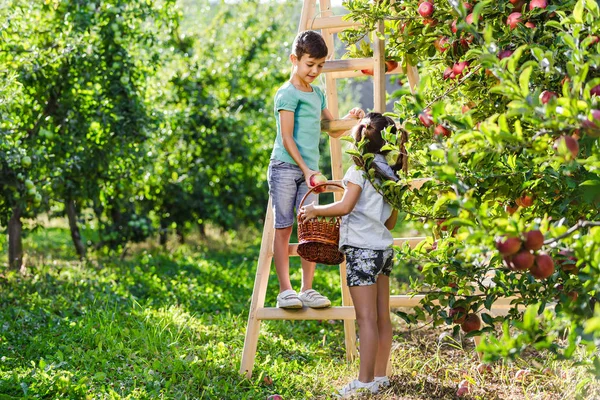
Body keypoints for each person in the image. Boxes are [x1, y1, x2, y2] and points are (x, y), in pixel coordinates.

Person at [299, 113, 400, 397]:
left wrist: (315, 210)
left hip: (362, 251)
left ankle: (364, 382)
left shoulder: (359, 170)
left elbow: (345, 207)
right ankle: (380, 376)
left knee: (365, 319)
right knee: (382, 317)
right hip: (383, 251)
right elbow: (390, 223)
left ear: (360, 137)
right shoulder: (388, 171)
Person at [269, 30, 364, 309]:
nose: (315, 70)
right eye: (310, 64)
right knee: (284, 227)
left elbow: (331, 129)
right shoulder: (286, 94)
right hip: (286, 167)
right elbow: (286, 138)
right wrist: (307, 169)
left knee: (309, 230)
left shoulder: (318, 93)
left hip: (310, 172)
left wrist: (349, 119)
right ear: (294, 60)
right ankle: (285, 290)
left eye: (320, 65)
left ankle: (306, 289)